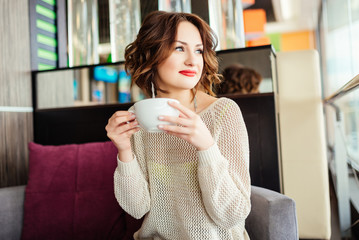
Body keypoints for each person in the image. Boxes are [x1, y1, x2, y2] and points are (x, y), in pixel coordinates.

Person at [105, 11, 251, 240]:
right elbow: (137, 208)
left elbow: (232, 214)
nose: (193, 61)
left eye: (199, 50)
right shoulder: (137, 117)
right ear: (152, 53)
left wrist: (207, 147)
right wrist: (124, 151)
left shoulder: (223, 113)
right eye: (180, 48)